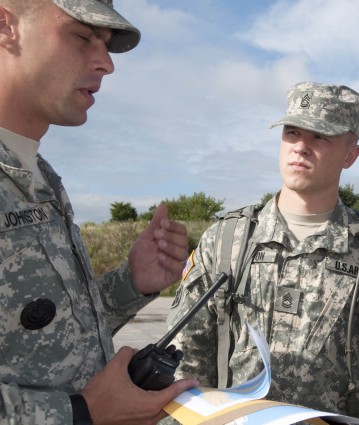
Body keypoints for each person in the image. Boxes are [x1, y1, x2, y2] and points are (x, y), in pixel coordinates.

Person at [166, 81, 359, 424]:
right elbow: (185, 363)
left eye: (320, 137)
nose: (300, 147)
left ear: (350, 154)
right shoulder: (227, 241)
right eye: (292, 133)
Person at [0, 1, 198, 424]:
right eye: (81, 36)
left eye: (106, 44)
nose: (106, 63)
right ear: (6, 25)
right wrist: (80, 413)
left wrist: (131, 283)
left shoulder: (39, 177)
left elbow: (43, 341)